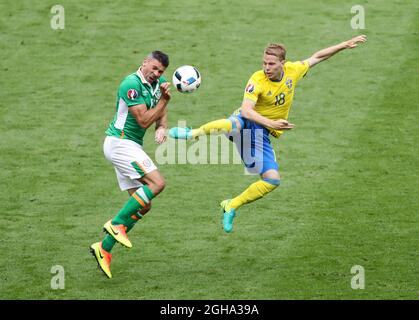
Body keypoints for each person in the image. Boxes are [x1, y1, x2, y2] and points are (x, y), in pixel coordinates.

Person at [169, 35, 367, 233]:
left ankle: (231, 205)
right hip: (249, 119)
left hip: (259, 135)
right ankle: (192, 133)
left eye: (271, 64)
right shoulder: (257, 80)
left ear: (283, 63)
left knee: (272, 179)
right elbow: (247, 111)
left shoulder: (293, 71)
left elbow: (318, 57)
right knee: (236, 123)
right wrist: (272, 122)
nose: (266, 67)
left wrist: (343, 45)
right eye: (264, 63)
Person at [90, 50, 171, 278]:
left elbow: (161, 110)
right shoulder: (130, 85)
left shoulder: (159, 83)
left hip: (130, 145)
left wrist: (162, 127)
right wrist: (164, 100)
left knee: (144, 205)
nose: (156, 73)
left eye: (160, 71)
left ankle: (103, 249)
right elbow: (144, 119)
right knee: (157, 183)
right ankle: (116, 224)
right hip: (120, 143)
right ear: (144, 63)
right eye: (153, 68)